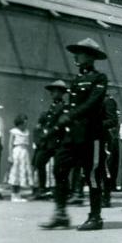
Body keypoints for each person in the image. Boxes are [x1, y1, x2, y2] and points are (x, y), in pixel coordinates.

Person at [41, 38, 108, 230]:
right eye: (76, 53)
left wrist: (69, 116)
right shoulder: (77, 79)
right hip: (73, 135)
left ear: (91, 57)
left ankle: (95, 217)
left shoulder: (99, 78)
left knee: (92, 175)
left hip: (91, 136)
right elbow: (72, 106)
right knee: (59, 169)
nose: (76, 57)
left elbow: (92, 104)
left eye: (80, 53)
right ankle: (61, 214)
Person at [32, 80, 68, 200]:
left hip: (58, 141)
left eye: (55, 91)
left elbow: (61, 124)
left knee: (59, 168)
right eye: (51, 91)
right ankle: (42, 189)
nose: (52, 93)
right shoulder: (52, 106)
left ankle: (61, 191)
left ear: (61, 93)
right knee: (39, 162)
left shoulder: (63, 107)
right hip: (47, 142)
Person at [7, 114, 33, 202]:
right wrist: (10, 156)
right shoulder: (14, 131)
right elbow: (10, 144)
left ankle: (18, 195)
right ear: (19, 123)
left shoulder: (27, 131)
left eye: (26, 123)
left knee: (22, 173)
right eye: (23, 123)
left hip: (24, 153)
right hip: (16, 153)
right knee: (15, 173)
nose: (25, 125)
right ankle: (13, 194)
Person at [100, 90, 120, 208]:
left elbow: (113, 121)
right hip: (96, 137)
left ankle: (106, 197)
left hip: (106, 139)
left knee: (105, 168)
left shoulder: (109, 101)